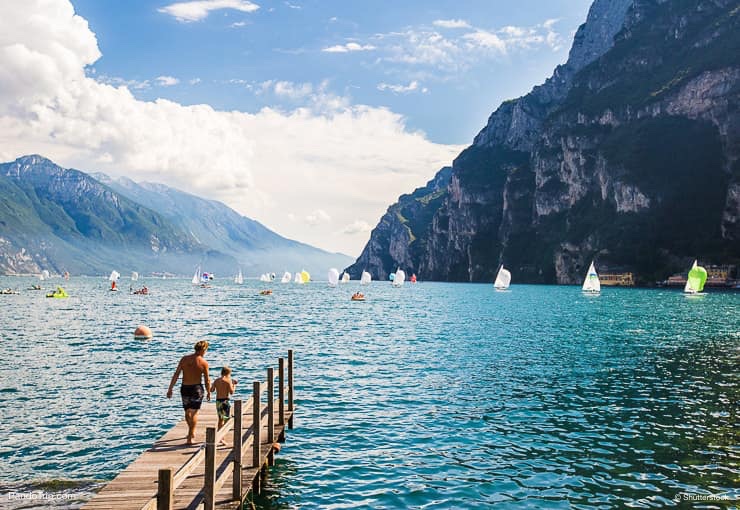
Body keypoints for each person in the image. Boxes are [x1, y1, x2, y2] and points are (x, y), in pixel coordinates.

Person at [167, 340, 211, 445]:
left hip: (185, 388)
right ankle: (191, 436)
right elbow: (207, 380)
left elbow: (176, 374)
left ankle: (190, 433)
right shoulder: (203, 363)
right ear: (203, 350)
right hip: (196, 389)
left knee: (187, 412)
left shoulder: (184, 359)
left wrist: (170, 388)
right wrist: (209, 391)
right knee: (194, 412)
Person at [210, 366, 238, 444]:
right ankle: (222, 438)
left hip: (218, 402)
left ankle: (220, 437)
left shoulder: (216, 380)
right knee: (226, 420)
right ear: (228, 373)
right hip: (225, 402)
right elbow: (232, 392)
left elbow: (211, 390)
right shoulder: (228, 381)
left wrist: (212, 384)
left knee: (220, 419)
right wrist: (234, 385)